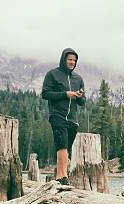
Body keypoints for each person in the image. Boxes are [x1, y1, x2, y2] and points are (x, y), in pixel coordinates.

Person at [42, 48, 86, 185]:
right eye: (69, 59)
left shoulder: (78, 79)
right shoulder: (53, 74)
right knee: (62, 145)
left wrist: (79, 96)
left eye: (74, 60)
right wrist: (65, 94)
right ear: (63, 60)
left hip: (72, 118)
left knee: (65, 146)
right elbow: (45, 94)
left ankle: (59, 176)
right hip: (57, 115)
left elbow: (83, 102)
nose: (72, 62)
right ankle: (63, 177)